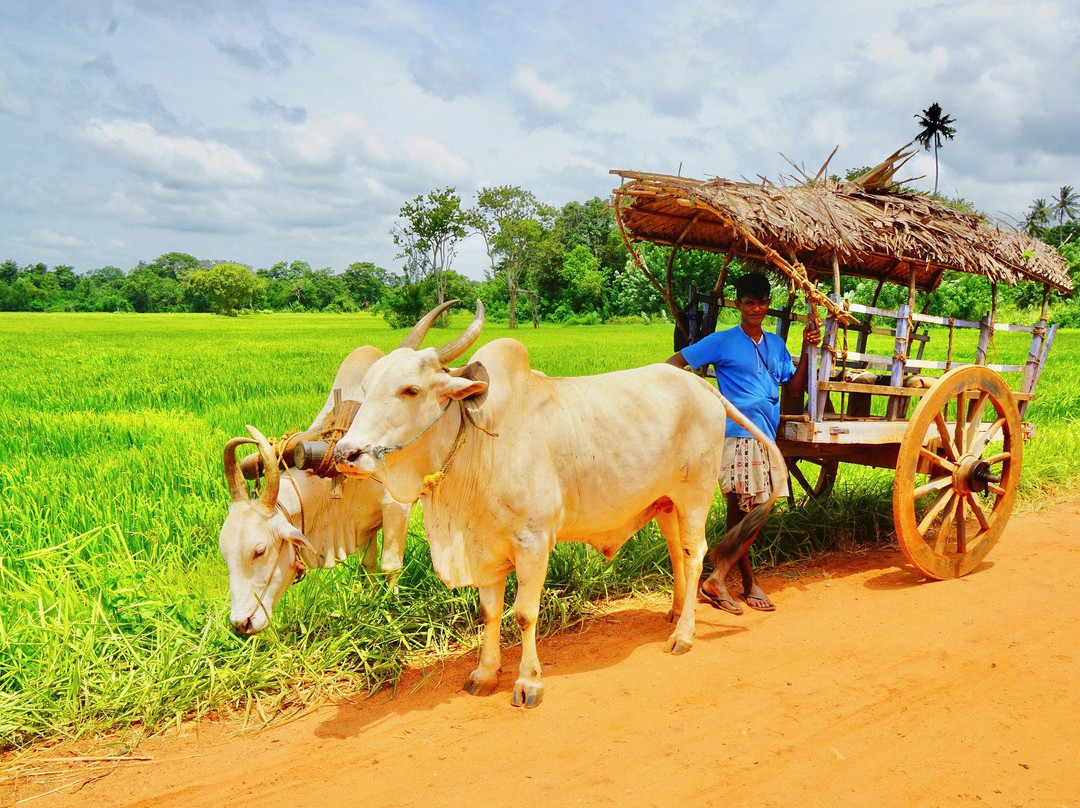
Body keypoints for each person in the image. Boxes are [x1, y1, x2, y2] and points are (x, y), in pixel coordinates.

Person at [666, 272, 820, 614]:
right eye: (750, 302)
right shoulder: (722, 341)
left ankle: (737, 581)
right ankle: (721, 577)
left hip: (766, 435)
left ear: (768, 304)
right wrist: (695, 400)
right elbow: (675, 363)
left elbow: (794, 388)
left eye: (762, 302)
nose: (757, 309)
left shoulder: (776, 346)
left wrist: (809, 346)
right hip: (738, 436)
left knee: (743, 513)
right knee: (759, 509)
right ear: (738, 305)